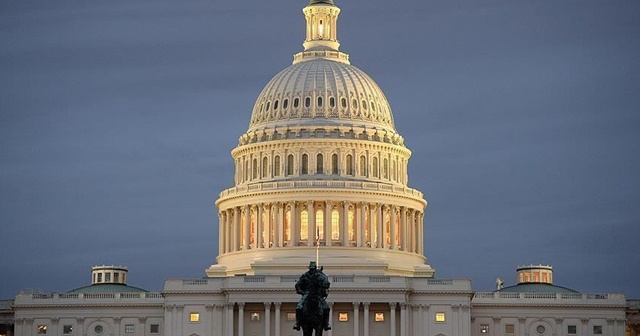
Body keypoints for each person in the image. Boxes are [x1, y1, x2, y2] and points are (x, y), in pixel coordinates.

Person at [293, 261, 331, 331]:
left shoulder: (318, 276)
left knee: (326, 308)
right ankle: (297, 323)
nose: (312, 270)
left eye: (313, 269)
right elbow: (298, 285)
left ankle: (326, 323)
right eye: (311, 269)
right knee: (299, 307)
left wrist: (323, 291)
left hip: (317, 294)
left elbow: (324, 284)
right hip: (307, 293)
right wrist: (302, 292)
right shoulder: (305, 276)